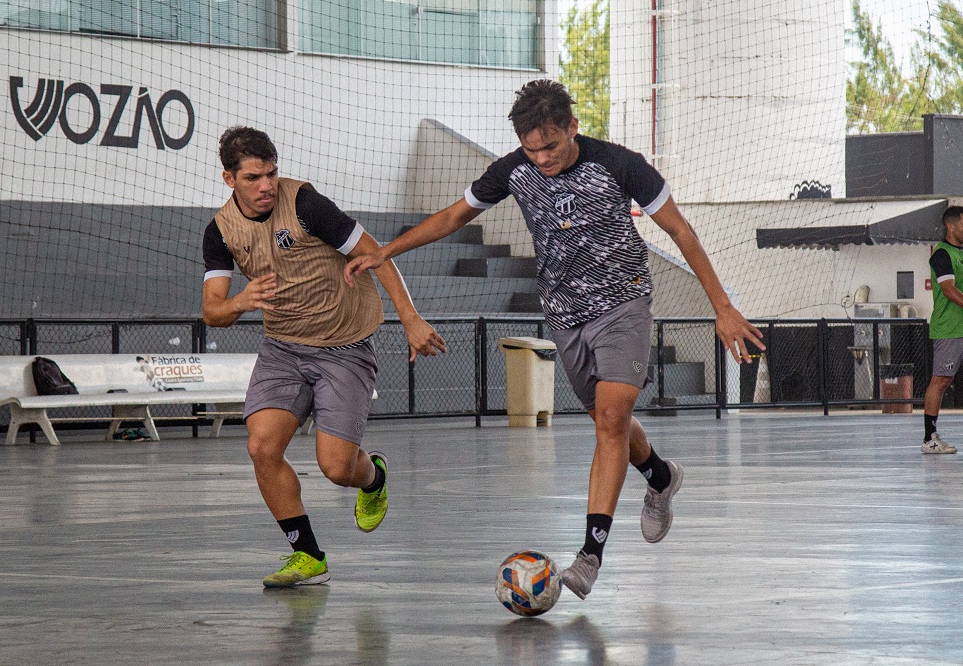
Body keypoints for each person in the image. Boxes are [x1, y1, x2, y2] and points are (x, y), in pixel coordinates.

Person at [345, 80, 764, 599]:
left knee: (610, 421)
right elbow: (455, 216)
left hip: (623, 304)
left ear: (573, 127)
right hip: (564, 316)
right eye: (530, 148)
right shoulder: (513, 170)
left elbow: (681, 232)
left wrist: (722, 308)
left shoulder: (621, 164)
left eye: (550, 145)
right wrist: (388, 251)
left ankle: (590, 554)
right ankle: (659, 476)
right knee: (610, 421)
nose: (540, 158)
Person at [202, 126, 446, 587]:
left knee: (337, 467)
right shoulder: (220, 232)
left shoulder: (308, 206)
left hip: (344, 347)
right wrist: (240, 301)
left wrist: (410, 319)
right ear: (229, 179)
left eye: (272, 173)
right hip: (283, 349)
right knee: (261, 447)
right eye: (253, 177)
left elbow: (377, 254)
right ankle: (307, 555)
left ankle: (372, 478)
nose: (267, 185)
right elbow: (213, 310)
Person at [921, 205, 963, 454]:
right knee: (941, 380)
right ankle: (929, 439)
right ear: (951, 225)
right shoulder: (941, 254)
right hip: (949, 328)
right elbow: (948, 289)